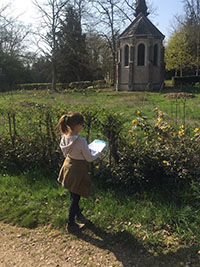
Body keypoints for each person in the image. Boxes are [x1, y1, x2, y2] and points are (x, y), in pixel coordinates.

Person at [57, 112, 101, 233]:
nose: (82, 126)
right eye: (81, 124)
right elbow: (89, 158)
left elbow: (70, 152)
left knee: (73, 194)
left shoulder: (65, 136)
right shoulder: (80, 141)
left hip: (68, 166)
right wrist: (98, 152)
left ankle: (79, 215)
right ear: (76, 125)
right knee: (75, 198)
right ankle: (71, 224)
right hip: (78, 170)